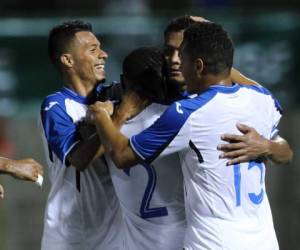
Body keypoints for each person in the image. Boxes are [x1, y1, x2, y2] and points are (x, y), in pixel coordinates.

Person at [87, 21, 292, 249]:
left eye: (182, 58)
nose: (176, 64)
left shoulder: (186, 113)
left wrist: (103, 117)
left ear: (198, 65)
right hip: (264, 241)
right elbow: (286, 153)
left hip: (213, 242)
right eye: (169, 53)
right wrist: (268, 146)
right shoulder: (262, 99)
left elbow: (122, 155)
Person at [163, 15, 292, 164]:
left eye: (181, 53)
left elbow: (286, 153)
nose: (174, 59)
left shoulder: (243, 101)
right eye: (168, 51)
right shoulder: (157, 95)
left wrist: (267, 146)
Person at [39, 20, 122, 250]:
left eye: (101, 48)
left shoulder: (115, 95)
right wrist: (116, 119)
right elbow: (78, 158)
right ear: (68, 60)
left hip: (117, 236)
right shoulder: (55, 106)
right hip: (69, 238)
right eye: (93, 50)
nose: (103, 55)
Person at [102, 47, 186, 250]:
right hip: (182, 237)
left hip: (132, 242)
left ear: (123, 81)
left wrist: (102, 116)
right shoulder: (179, 118)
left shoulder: (106, 124)